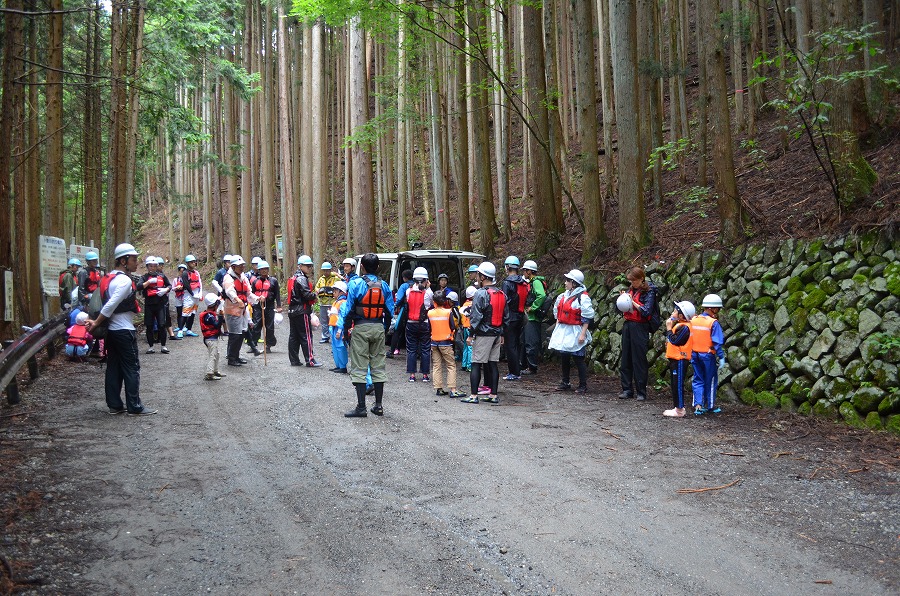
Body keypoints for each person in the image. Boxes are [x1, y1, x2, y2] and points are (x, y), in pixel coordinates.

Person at [84, 243, 157, 416]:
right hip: (124, 330)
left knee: (114, 367)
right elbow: (110, 305)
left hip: (112, 332)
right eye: (133, 259)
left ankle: (115, 405)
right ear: (123, 261)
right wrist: (96, 322)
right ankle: (134, 406)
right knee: (132, 367)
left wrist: (98, 322)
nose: (136, 263)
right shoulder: (124, 280)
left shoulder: (109, 278)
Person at [337, 253, 395, 417]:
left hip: (361, 328)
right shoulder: (384, 286)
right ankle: (378, 406)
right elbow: (390, 311)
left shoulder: (355, 284)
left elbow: (348, 311)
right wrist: (383, 328)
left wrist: (347, 332)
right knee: (378, 367)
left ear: (361, 266)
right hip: (378, 327)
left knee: (359, 367)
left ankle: (361, 407)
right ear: (378, 267)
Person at [461, 262, 508, 405]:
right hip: (496, 334)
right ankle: (493, 395)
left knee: (475, 363)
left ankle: (474, 396)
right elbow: (505, 317)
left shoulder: (481, 294)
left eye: (478, 275)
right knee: (493, 364)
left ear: (482, 276)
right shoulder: (501, 293)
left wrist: (470, 334)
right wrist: (502, 334)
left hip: (483, 334)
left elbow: (476, 317)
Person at [548, 269, 595, 393]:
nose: (565, 283)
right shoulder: (564, 295)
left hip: (576, 330)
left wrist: (583, 334)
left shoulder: (582, 298)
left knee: (578, 358)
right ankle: (565, 382)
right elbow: (558, 312)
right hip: (564, 329)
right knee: (564, 356)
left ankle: (583, 385)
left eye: (568, 280)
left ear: (574, 283)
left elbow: (587, 317)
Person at [618, 266, 656, 401]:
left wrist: (631, 301)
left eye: (634, 281)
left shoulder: (649, 291)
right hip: (628, 325)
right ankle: (627, 389)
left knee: (639, 359)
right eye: (630, 281)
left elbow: (646, 311)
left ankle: (641, 391)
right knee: (626, 358)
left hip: (640, 327)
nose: (632, 283)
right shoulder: (630, 290)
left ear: (641, 279)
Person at [691, 294, 726, 415]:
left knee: (697, 379)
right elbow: (717, 343)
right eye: (718, 309)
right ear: (713, 309)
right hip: (707, 355)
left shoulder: (694, 320)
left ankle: (698, 406)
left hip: (694, 354)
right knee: (710, 380)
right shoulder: (713, 323)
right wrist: (721, 357)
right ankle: (710, 406)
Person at [222, 255, 258, 366]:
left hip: (242, 310)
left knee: (241, 333)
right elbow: (230, 291)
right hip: (232, 309)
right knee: (235, 334)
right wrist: (238, 300)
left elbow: (248, 292)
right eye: (239, 266)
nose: (242, 267)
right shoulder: (228, 277)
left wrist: (257, 299)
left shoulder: (243, 277)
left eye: (242, 265)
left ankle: (236, 356)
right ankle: (231, 358)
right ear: (233, 267)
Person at [287, 254, 322, 367]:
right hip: (301, 311)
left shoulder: (294, 278)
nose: (309, 268)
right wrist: (315, 294)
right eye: (307, 266)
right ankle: (310, 360)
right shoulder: (301, 279)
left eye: (310, 266)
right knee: (306, 335)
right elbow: (307, 295)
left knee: (294, 336)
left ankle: (294, 360)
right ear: (300, 266)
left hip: (293, 311)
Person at [428, 290, 465, 398]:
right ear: (445, 301)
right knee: (450, 365)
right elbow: (453, 326)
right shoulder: (448, 312)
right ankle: (453, 390)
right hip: (446, 342)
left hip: (434, 342)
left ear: (434, 301)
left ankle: (438, 388)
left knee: (436, 366)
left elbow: (429, 327)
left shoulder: (430, 313)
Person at [663, 301, 695, 417]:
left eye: (675, 311)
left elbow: (675, 340)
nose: (673, 312)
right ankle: (677, 407)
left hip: (680, 359)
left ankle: (680, 410)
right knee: (674, 383)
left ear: (681, 316)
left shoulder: (685, 328)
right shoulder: (680, 325)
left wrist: (668, 328)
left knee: (678, 384)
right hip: (675, 359)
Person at [500, 256, 528, 381]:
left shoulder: (507, 283)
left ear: (507, 267)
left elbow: (504, 301)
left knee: (510, 345)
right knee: (516, 344)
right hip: (520, 316)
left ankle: (514, 372)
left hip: (510, 317)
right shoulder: (523, 282)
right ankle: (517, 369)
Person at [405, 267, 433, 382]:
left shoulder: (408, 291)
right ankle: (425, 375)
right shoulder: (428, 293)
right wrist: (428, 287)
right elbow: (431, 303)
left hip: (410, 323)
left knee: (411, 349)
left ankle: (412, 375)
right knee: (425, 349)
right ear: (426, 280)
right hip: (424, 324)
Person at [140, 255, 172, 354]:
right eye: (150, 266)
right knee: (149, 325)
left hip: (160, 304)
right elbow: (139, 286)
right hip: (149, 304)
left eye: (154, 266)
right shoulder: (144, 277)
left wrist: (165, 290)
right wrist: (149, 282)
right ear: (147, 266)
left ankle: (163, 346)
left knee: (162, 325)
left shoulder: (162, 276)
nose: (153, 268)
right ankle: (151, 347)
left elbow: (169, 285)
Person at [520, 260, 546, 376]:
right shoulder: (533, 282)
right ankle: (527, 365)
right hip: (530, 318)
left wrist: (533, 308)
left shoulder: (536, 283)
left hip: (533, 318)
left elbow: (541, 295)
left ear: (530, 271)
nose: (524, 272)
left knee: (530, 342)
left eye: (525, 270)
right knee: (526, 341)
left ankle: (532, 367)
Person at [250, 261, 281, 353]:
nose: (264, 271)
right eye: (262, 269)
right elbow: (252, 293)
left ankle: (268, 345)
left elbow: (277, 294)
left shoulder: (273, 281)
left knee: (269, 326)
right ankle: (253, 345)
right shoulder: (255, 281)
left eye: (265, 269)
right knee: (256, 324)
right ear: (259, 270)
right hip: (258, 306)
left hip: (270, 306)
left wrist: (279, 306)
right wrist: (253, 303)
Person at [200, 292, 226, 381]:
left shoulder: (208, 314)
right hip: (210, 339)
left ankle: (215, 371)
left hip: (211, 338)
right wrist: (221, 316)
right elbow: (217, 325)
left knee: (216, 354)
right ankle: (209, 373)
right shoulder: (209, 316)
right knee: (213, 355)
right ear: (214, 305)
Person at [388, 269, 413, 358]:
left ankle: (392, 351)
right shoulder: (416, 285)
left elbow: (399, 299)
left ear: (404, 278)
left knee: (397, 330)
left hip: (404, 310)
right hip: (414, 311)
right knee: (412, 332)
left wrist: (394, 306)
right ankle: (416, 353)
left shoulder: (404, 286)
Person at [314, 262, 342, 344]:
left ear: (330, 270)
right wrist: (317, 290)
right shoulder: (321, 279)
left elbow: (340, 286)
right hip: (323, 303)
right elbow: (317, 287)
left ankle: (334, 336)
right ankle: (325, 336)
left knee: (333, 320)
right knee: (324, 321)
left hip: (332, 303)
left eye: (327, 270)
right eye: (324, 271)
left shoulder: (335, 278)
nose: (326, 272)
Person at [328, 281, 349, 373]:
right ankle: (339, 365)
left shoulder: (343, 302)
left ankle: (343, 366)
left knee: (340, 347)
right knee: (335, 347)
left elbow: (343, 317)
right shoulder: (337, 302)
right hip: (334, 327)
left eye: (335, 291)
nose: (333, 293)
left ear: (341, 292)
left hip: (338, 328)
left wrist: (340, 330)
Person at [179, 254, 203, 337]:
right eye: (192, 262)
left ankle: (189, 329)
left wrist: (200, 294)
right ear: (188, 263)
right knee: (185, 312)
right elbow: (186, 285)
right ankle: (180, 330)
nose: (194, 263)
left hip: (196, 294)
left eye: (194, 262)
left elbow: (200, 282)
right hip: (189, 295)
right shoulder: (185, 273)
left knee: (193, 312)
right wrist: (192, 294)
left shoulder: (196, 273)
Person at [459, 286, 476, 372]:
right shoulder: (474, 304)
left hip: (465, 327)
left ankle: (464, 364)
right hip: (470, 327)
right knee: (470, 347)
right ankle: (470, 365)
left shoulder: (464, 305)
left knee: (465, 346)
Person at [171, 263, 187, 337]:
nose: (182, 273)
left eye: (183, 271)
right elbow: (172, 288)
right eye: (181, 271)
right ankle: (179, 326)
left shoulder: (186, 279)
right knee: (179, 312)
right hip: (178, 297)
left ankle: (184, 326)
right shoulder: (175, 280)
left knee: (185, 313)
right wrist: (177, 288)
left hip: (185, 297)